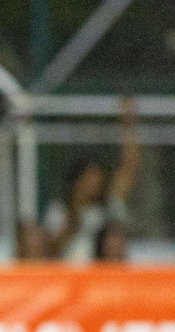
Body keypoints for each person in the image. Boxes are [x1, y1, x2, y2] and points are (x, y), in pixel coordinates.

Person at [44, 99, 139, 261]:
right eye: (87, 180)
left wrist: (128, 126)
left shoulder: (109, 206)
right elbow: (51, 251)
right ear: (76, 181)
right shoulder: (59, 211)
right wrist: (73, 220)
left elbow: (129, 168)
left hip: (105, 279)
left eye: (97, 180)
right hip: (73, 280)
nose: (93, 185)